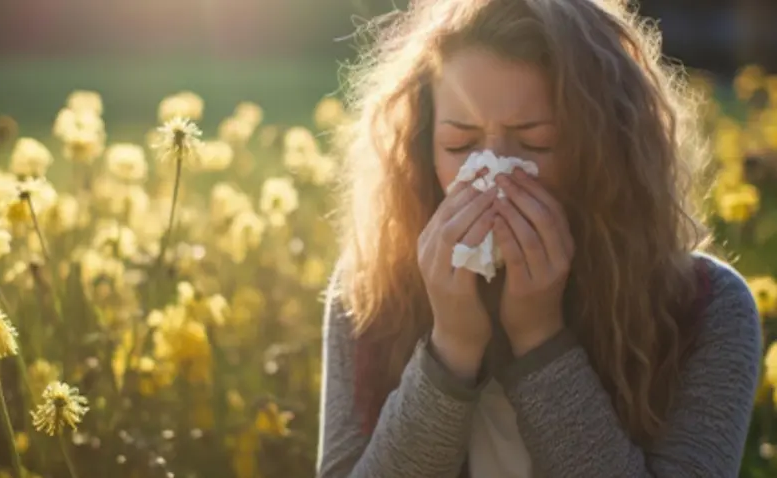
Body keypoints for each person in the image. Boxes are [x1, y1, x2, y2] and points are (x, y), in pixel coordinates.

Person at [316, 0, 762, 477]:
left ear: (607, 151)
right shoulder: (369, 289)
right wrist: (450, 350)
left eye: (535, 144)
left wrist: (540, 340)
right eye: (460, 146)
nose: (493, 177)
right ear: (422, 149)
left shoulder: (704, 308)